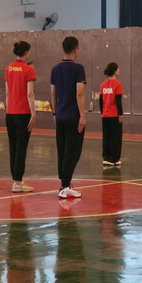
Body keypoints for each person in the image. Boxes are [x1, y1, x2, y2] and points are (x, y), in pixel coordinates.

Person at [51, 37, 86, 199]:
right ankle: (65, 186)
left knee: (62, 149)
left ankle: (64, 182)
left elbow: (53, 94)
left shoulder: (55, 69)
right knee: (73, 151)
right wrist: (82, 115)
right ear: (75, 49)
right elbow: (80, 93)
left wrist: (54, 112)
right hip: (73, 116)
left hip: (60, 115)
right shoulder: (78, 69)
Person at [5, 41, 36, 193]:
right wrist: (33, 113)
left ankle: (16, 178)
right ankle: (18, 181)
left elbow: (7, 92)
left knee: (13, 146)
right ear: (26, 53)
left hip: (10, 113)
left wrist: (8, 109)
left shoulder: (9, 68)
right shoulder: (28, 69)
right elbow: (29, 94)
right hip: (23, 113)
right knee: (21, 147)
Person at [99, 62, 124, 166]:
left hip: (105, 116)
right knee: (115, 137)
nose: (119, 70)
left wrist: (103, 112)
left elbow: (100, 101)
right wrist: (121, 114)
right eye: (118, 69)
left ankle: (106, 157)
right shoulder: (118, 85)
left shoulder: (102, 85)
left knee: (106, 137)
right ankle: (114, 159)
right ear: (115, 71)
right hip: (114, 116)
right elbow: (118, 101)